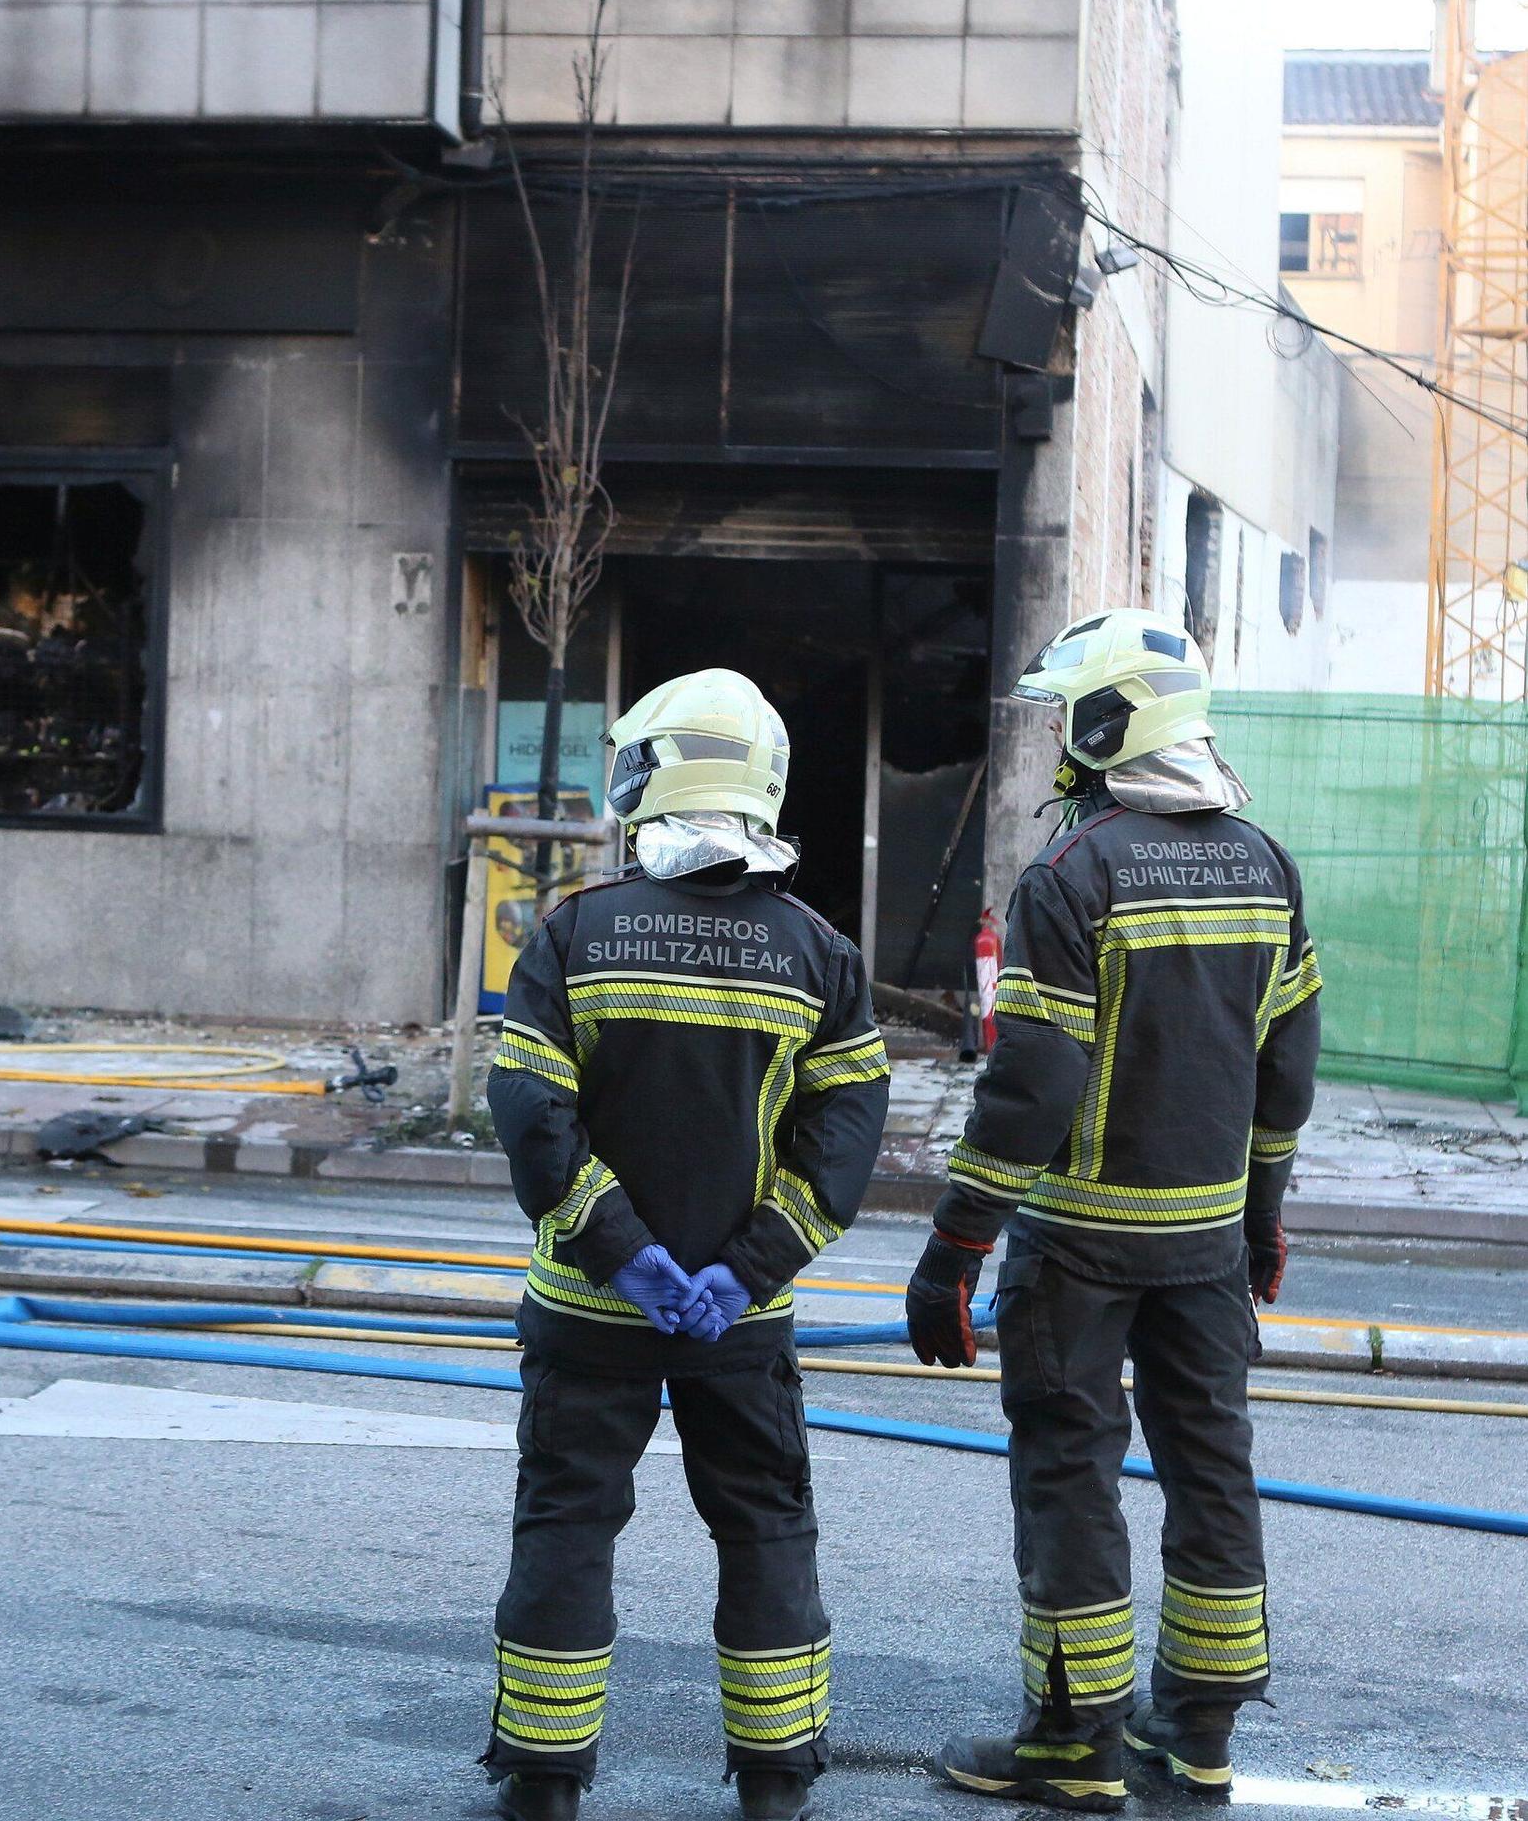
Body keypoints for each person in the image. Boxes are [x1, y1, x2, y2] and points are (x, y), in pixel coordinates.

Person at [907, 609, 1320, 1811]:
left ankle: (1071, 1742)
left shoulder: (1073, 872)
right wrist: (1265, 1212)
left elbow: (1032, 1081)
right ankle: (1196, 1731)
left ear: (1105, 727)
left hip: (1079, 1241)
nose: (1055, 751)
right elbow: (1286, 1067)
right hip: (1204, 1244)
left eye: (1063, 725)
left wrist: (953, 1248)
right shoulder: (1265, 861)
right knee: (1212, 1465)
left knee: (1071, 1473)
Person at [481, 668, 890, 1821]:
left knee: (566, 1520)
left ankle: (545, 1783)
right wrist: (746, 1265)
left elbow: (527, 1111)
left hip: (587, 1309)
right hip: (738, 1327)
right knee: (763, 1526)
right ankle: (774, 1781)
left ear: (648, 778)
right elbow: (847, 1136)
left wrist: (619, 1249)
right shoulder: (819, 953)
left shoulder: (574, 930)